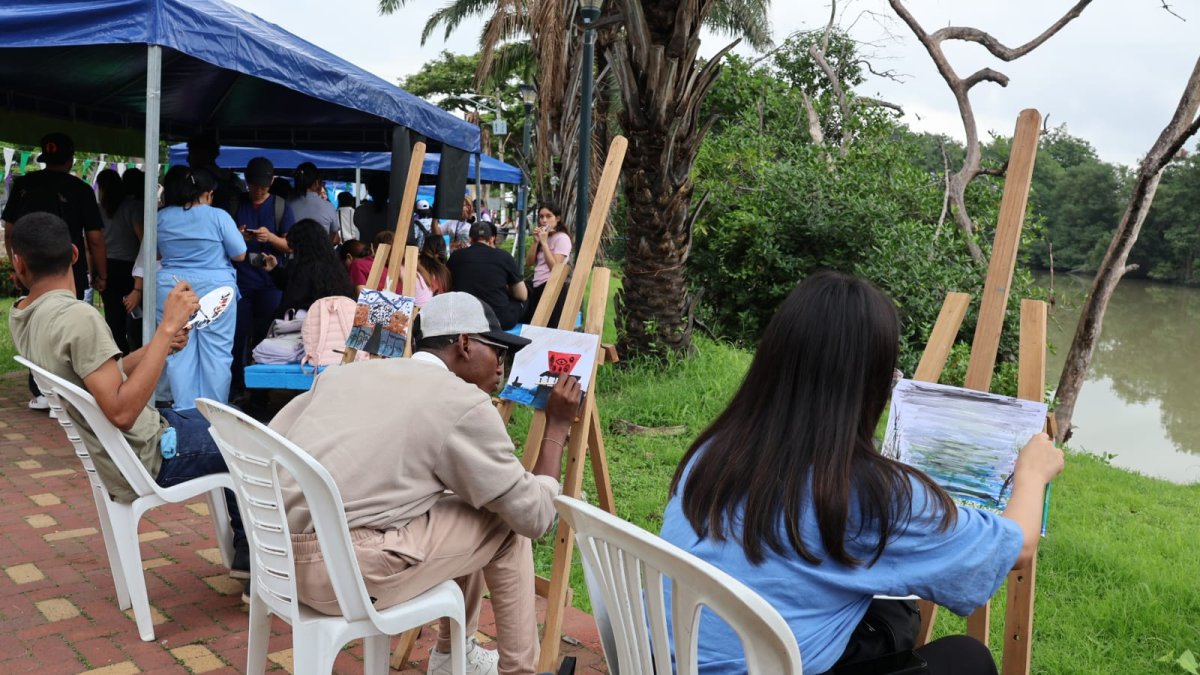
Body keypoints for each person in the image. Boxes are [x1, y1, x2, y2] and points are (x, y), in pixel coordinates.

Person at [659, 272, 1064, 675]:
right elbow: (1017, 547)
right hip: (764, 666)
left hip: (662, 660)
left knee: (891, 611)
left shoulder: (714, 452)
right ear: (871, 385)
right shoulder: (872, 494)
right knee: (966, 659)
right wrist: (1032, 474)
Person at [271, 292, 582, 675]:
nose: (501, 367)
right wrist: (557, 427)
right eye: (498, 352)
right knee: (504, 523)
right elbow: (533, 517)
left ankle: (454, 657)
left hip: (277, 563)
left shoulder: (341, 375)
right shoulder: (461, 402)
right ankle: (515, 670)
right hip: (344, 577)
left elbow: (271, 447)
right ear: (465, 344)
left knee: (468, 499)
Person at [7, 211, 249, 577]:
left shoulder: (25, 314)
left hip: (135, 443)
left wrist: (160, 347)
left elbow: (103, 376)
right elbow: (121, 412)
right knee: (254, 442)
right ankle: (258, 560)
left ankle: (248, 554)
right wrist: (166, 328)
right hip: (149, 454)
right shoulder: (77, 318)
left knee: (233, 418)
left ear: (18, 263)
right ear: (75, 254)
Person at [2, 132, 108, 411]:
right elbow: (95, 238)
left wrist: (17, 266)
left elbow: (10, 232)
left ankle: (41, 391)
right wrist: (102, 274)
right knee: (69, 326)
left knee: (35, 326)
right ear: (71, 159)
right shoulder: (81, 189)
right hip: (68, 271)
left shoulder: (23, 184)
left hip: (31, 271)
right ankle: (68, 393)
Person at [156, 166, 247, 410]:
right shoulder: (218, 216)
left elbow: (154, 254)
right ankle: (214, 413)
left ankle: (184, 412)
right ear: (207, 193)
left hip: (173, 287)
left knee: (178, 349)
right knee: (217, 352)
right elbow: (239, 254)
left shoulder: (161, 217)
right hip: (216, 290)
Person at [231, 157, 295, 396]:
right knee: (236, 338)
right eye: (253, 185)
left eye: (263, 186)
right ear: (246, 181)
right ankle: (236, 387)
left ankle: (260, 394)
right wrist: (238, 237)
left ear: (272, 182)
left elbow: (290, 245)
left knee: (264, 338)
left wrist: (271, 238)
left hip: (270, 283)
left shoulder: (281, 206)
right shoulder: (237, 204)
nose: (257, 190)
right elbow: (225, 241)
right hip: (241, 281)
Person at [262, 219, 356, 317]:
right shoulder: (336, 267)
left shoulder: (301, 269)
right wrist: (274, 269)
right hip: (336, 321)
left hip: (308, 323)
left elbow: (291, 300)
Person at [447, 221, 526, 329]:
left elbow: (448, 286)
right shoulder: (504, 256)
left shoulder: (456, 256)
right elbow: (522, 295)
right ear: (491, 239)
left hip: (464, 319)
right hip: (499, 321)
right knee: (522, 301)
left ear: (470, 238)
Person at [96, 168, 139, 354]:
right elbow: (144, 240)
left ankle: (119, 357)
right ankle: (137, 355)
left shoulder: (98, 209)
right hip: (133, 268)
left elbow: (93, 244)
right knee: (137, 316)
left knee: (113, 319)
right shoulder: (133, 207)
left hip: (107, 267)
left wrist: (97, 273)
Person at [521, 201, 571, 327]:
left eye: (549, 216)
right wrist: (536, 242)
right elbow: (529, 262)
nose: (544, 220)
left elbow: (555, 268)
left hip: (552, 287)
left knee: (551, 326)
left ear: (557, 218)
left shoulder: (562, 238)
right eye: (541, 216)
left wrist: (544, 244)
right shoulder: (544, 237)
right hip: (538, 285)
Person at [185, 134, 247, 217]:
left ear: (202, 154)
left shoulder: (193, 179)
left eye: (191, 153)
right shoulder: (232, 178)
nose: (188, 159)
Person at [287, 162, 338, 243]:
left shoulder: (287, 205)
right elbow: (334, 233)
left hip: (294, 250)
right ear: (316, 183)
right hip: (321, 250)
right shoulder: (329, 207)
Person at [353, 173, 390, 245]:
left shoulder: (360, 211)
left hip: (366, 250)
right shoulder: (395, 212)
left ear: (369, 191)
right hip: (388, 250)